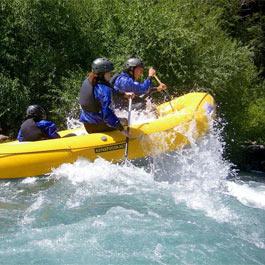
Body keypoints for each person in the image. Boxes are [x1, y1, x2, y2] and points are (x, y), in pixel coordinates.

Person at [79, 57, 128, 134]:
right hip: (98, 126)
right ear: (102, 74)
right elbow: (107, 114)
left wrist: (123, 94)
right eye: (109, 72)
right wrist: (121, 128)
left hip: (88, 125)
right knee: (125, 121)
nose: (111, 74)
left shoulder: (90, 81)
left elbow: (109, 87)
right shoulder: (103, 90)